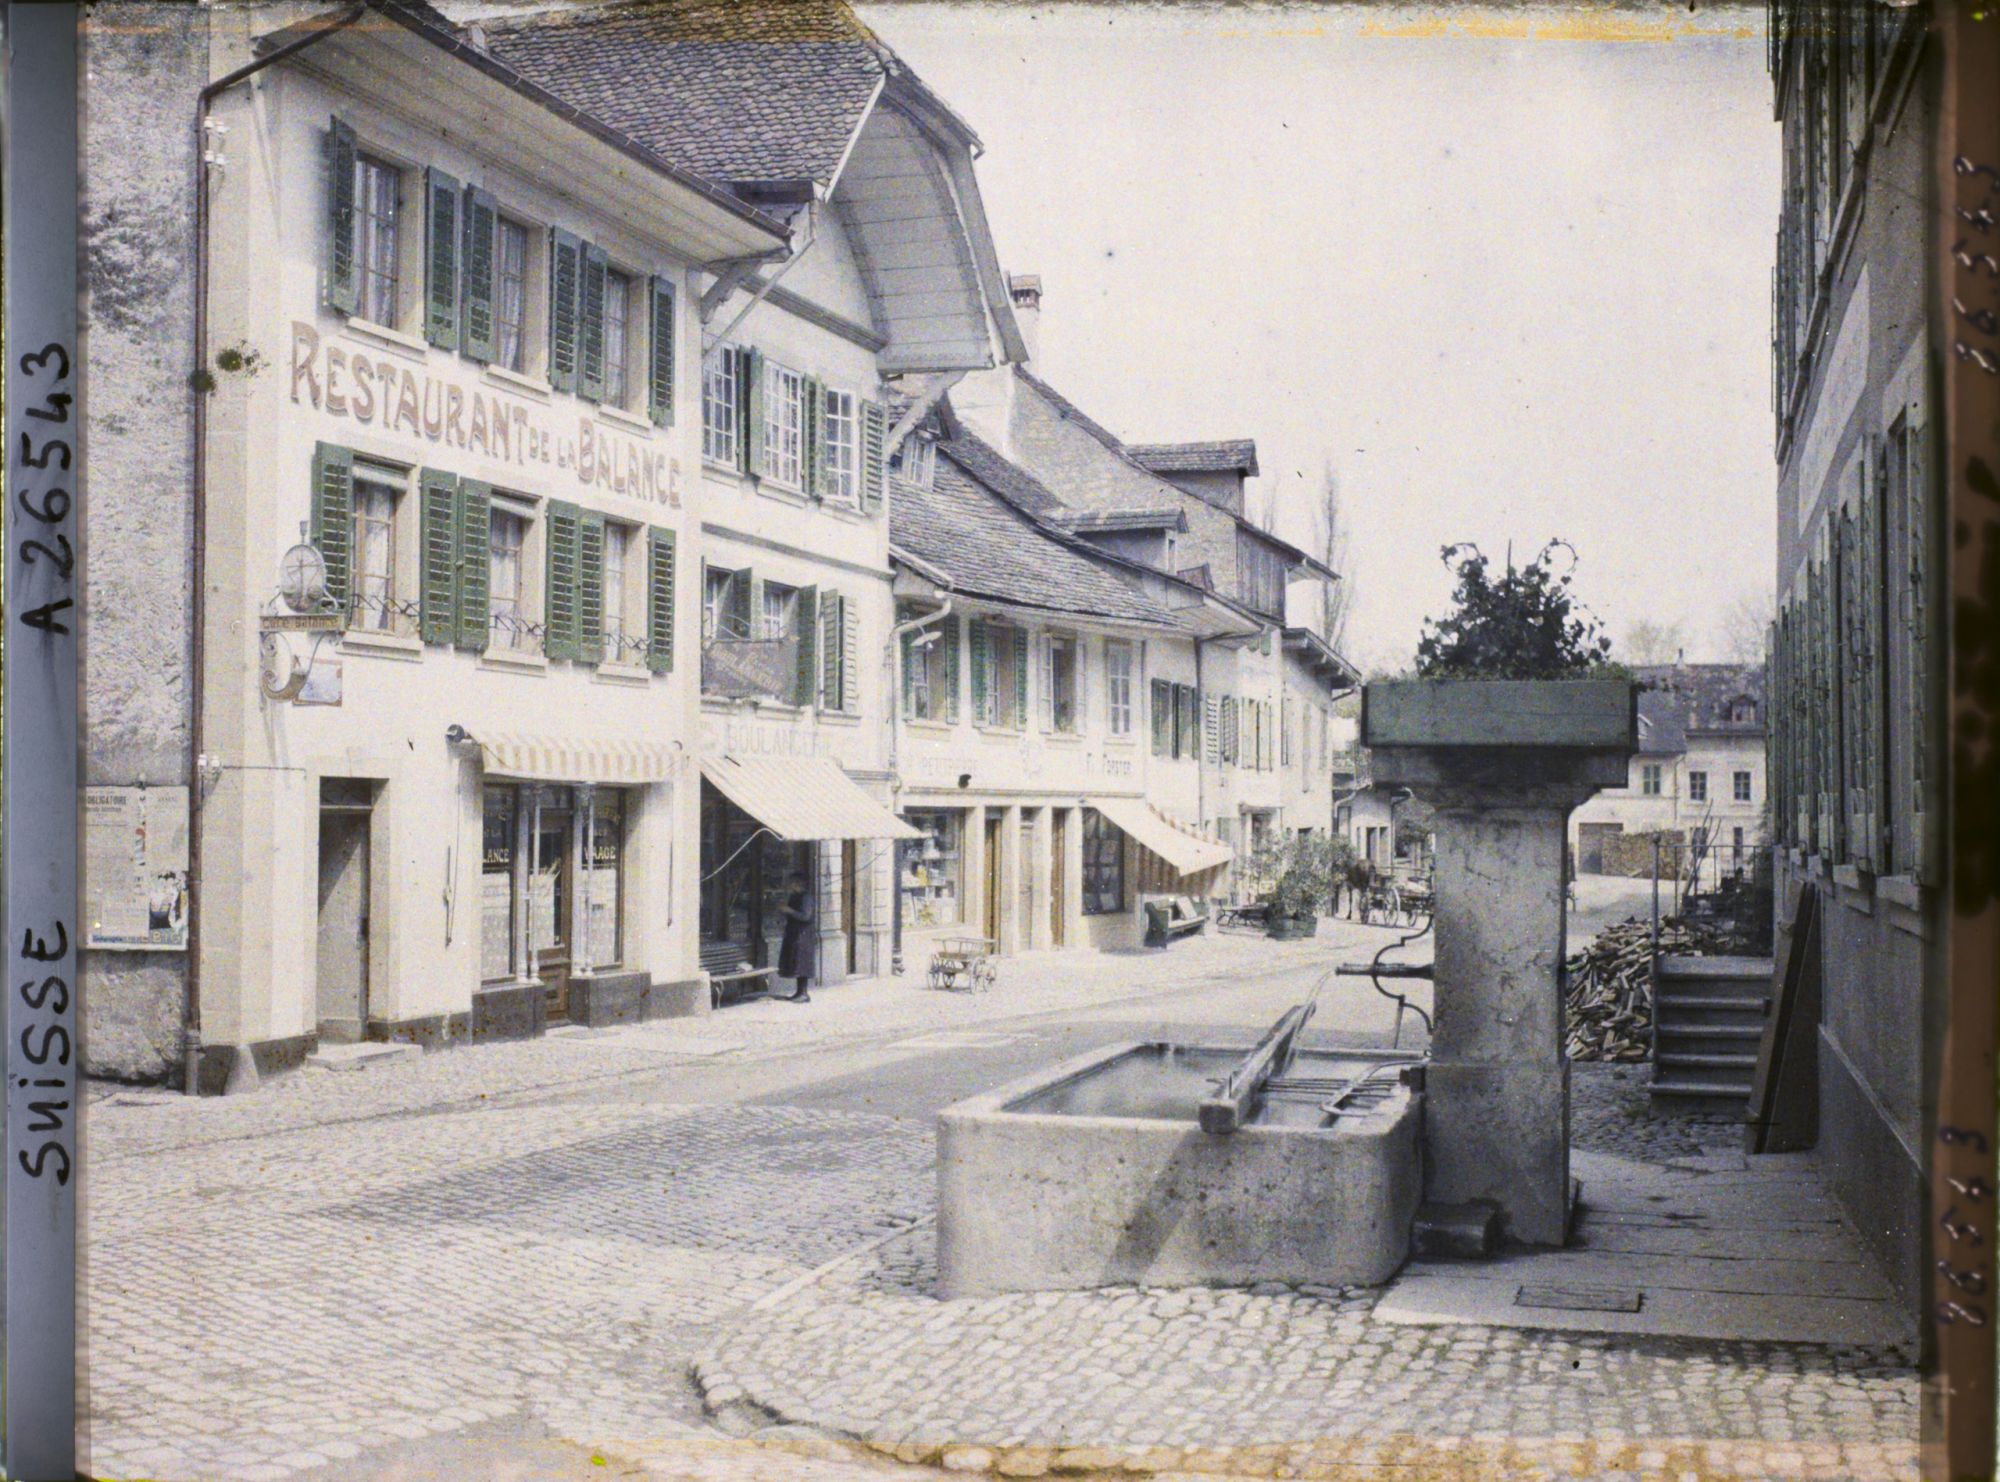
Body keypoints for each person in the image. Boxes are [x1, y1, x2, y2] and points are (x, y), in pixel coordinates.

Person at [776, 867, 815, 1003]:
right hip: (794, 933)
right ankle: (799, 992)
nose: (789, 885)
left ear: (798, 883)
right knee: (796, 963)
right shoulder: (794, 896)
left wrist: (789, 910)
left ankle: (803, 993)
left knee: (802, 963)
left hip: (803, 935)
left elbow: (805, 916)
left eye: (791, 883)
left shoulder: (806, 897)